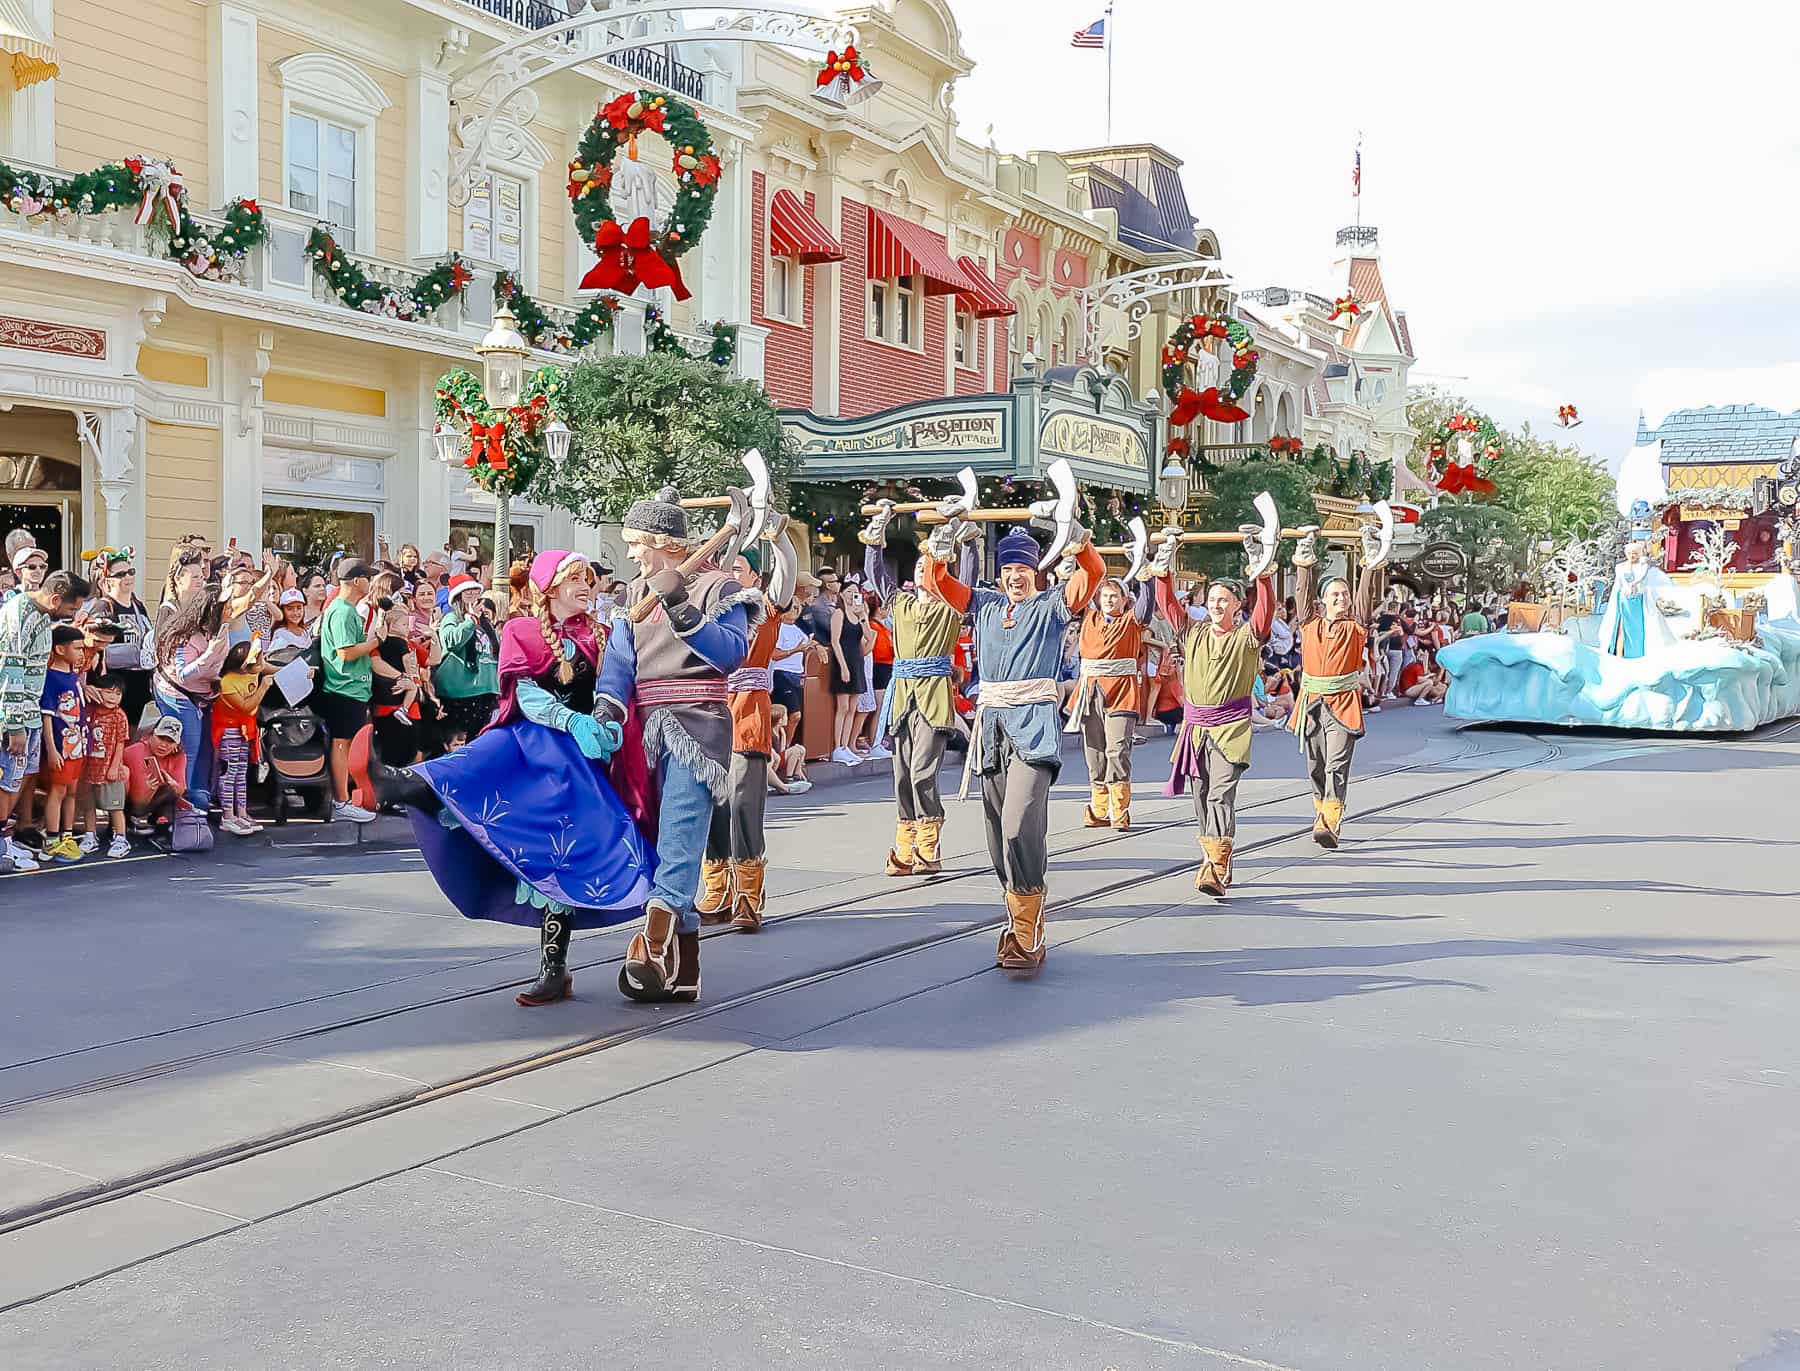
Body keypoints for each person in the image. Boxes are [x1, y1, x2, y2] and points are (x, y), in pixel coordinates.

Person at [376, 549, 652, 1007]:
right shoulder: (520, 630)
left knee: (560, 857)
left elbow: (616, 690)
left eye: (590, 578)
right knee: (489, 752)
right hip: (534, 744)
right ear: (550, 587)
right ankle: (423, 788)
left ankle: (555, 967)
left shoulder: (603, 634)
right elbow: (525, 695)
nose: (588, 585)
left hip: (581, 762)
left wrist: (605, 725)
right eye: (576, 578)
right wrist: (572, 722)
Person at [921, 516, 1103, 972]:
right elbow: (936, 582)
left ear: (1036, 572)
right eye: (1008, 569)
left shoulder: (1051, 606)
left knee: (1018, 825)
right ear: (999, 573)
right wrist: (939, 549)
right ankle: (1021, 922)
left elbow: (1093, 575)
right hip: (993, 730)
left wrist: (1079, 541)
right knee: (995, 833)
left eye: (1023, 568)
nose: (1015, 576)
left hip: (1035, 727)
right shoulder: (982, 603)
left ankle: (1029, 924)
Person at [594, 489, 755, 1004]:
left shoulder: (717, 587)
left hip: (697, 727)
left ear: (665, 542)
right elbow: (617, 671)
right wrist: (605, 715)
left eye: (638, 543)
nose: (634, 554)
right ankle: (687, 970)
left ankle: (653, 941)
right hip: (641, 736)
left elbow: (731, 655)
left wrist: (681, 604)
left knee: (682, 836)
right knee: (659, 847)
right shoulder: (630, 598)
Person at [1154, 526, 1277, 897]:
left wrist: (1262, 569)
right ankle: (1214, 857)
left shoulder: (1248, 636)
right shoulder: (1194, 633)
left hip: (1231, 729)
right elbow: (1169, 607)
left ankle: (1216, 863)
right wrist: (1164, 565)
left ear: (1238, 605)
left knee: (1219, 794)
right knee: (1200, 794)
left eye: (1224, 600)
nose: (1216, 605)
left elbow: (1265, 610)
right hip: (1194, 731)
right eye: (1212, 600)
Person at [861, 501, 965, 876]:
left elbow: (965, 575)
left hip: (934, 696)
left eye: (930, 566)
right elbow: (875, 574)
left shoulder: (950, 606)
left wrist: (954, 525)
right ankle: (906, 847)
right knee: (902, 773)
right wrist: (878, 533)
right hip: (903, 696)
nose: (924, 571)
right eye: (919, 566)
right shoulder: (900, 603)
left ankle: (928, 843)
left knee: (923, 770)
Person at [697, 547, 794, 934]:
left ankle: (748, 894)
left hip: (748, 715)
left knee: (743, 805)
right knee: (713, 805)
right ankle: (718, 888)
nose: (730, 574)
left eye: (738, 569)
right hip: (711, 714)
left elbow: (786, 575)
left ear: (756, 577)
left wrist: (780, 539)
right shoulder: (713, 612)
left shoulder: (765, 608)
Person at [1290, 523, 1390, 848]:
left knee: (1336, 764)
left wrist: (1368, 564)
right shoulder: (1310, 624)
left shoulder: (1356, 627)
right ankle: (1322, 814)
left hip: (1343, 704)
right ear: (1322, 602)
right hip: (1312, 703)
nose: (1342, 599)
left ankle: (1331, 819)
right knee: (1315, 765)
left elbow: (1365, 598)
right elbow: (1302, 595)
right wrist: (1304, 562)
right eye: (1335, 595)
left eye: (1345, 594)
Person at [1, 570, 88, 871]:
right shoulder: (17, 615)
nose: (72, 615)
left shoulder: (41, 616)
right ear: (54, 599)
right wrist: (14, 726)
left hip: (32, 715)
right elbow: (10, 670)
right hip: (15, 718)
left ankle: (5, 841)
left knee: (21, 779)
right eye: (71, 608)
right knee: (7, 782)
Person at [1069, 572, 1154, 833]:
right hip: (1090, 689)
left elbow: (1145, 607)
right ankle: (1098, 807)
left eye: (1114, 596)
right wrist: (1074, 567)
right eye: (1105, 596)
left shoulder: (1131, 621)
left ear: (1124, 600)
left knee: (1117, 749)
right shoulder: (1089, 618)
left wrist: (1147, 580)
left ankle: (1119, 810)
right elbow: (1076, 595)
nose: (1108, 600)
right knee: (1094, 751)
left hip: (1121, 691)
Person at [152, 587, 229, 815]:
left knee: (205, 748)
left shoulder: (217, 630)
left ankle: (198, 798)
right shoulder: (185, 635)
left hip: (203, 696)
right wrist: (210, 655)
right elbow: (184, 673)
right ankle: (179, 805)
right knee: (189, 750)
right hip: (179, 695)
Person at [318, 559, 381, 823]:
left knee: (347, 744)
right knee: (342, 745)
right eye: (367, 577)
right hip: (343, 688)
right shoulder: (342, 611)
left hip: (352, 688)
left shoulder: (346, 609)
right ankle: (342, 801)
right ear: (357, 581)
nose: (370, 582)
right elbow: (345, 653)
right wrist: (376, 641)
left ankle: (347, 798)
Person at [35, 624, 89, 863]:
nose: (81, 653)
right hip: (62, 748)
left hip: (79, 746)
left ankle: (67, 835)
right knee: (57, 792)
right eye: (77, 648)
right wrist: (52, 749)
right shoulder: (51, 679)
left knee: (72, 791)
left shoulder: (72, 676)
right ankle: (52, 840)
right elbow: (47, 716)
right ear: (59, 648)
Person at [213, 641, 275, 834]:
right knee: (229, 773)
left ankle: (241, 812)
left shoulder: (253, 672)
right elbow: (246, 706)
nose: (262, 661)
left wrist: (302, 672)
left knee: (241, 774)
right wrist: (263, 688)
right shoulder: (227, 682)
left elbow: (275, 670)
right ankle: (227, 816)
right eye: (258, 658)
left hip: (245, 731)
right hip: (229, 730)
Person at [433, 574, 500, 750]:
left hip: (485, 691)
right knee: (459, 745)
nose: (472, 594)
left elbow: (494, 651)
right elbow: (451, 641)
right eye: (467, 591)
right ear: (457, 596)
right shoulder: (452, 618)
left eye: (475, 591)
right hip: (459, 694)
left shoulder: (485, 622)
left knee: (479, 743)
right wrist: (469, 621)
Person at [90, 551, 153, 728]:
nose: (128, 577)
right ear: (105, 581)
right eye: (120, 574)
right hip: (115, 685)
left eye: (130, 572)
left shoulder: (139, 606)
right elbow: (98, 648)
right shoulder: (104, 606)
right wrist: (135, 654)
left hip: (140, 685)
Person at [1597, 536, 1679, 659]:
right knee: (1621, 628)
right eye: (1630, 553)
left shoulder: (1642, 567)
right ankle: (1619, 653)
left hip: (1638, 603)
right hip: (1624, 602)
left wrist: (1635, 581)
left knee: (1637, 630)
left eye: (1635, 553)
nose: (1632, 556)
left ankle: (1637, 653)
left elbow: (1640, 578)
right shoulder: (1620, 567)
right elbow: (1619, 584)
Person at [84, 673, 132, 858]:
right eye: (108, 692)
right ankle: (90, 835)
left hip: (110, 769)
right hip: (89, 769)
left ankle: (120, 838)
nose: (113, 698)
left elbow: (121, 743)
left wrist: (114, 767)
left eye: (117, 693)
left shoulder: (119, 716)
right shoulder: (90, 711)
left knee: (115, 806)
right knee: (88, 805)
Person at [828, 582, 869, 765]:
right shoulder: (839, 613)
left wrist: (863, 617)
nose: (853, 595)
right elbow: (835, 641)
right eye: (849, 591)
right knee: (842, 707)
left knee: (853, 707)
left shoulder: (858, 614)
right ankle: (838, 747)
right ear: (842, 594)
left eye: (855, 592)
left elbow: (868, 636)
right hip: (843, 661)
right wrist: (843, 666)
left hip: (857, 661)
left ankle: (845, 745)